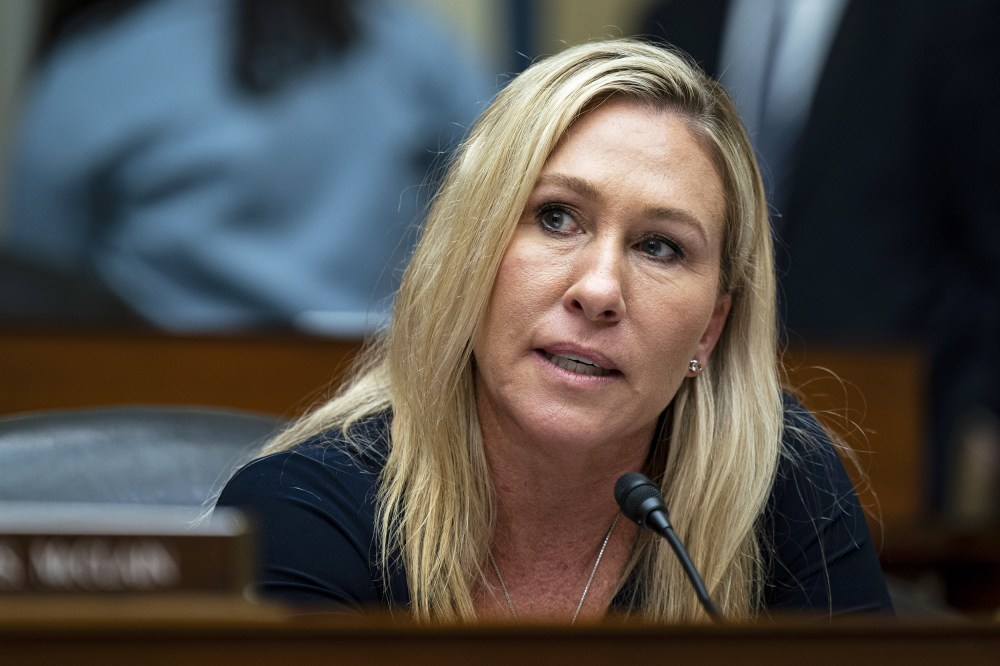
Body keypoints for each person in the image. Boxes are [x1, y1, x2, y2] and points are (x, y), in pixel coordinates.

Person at [217, 39, 892, 622]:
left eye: (659, 247)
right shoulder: (306, 511)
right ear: (469, 256)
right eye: (556, 218)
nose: (599, 290)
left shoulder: (777, 481)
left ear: (710, 330)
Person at [640, 0, 1000, 519]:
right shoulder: (680, 11)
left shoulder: (948, 17)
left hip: (883, 420)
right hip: (687, 415)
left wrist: (977, 406)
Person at [4, 0, 492, 333]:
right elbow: (502, 196)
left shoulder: (101, 59)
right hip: (368, 385)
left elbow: (41, 278)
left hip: (153, 396)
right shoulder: (410, 45)